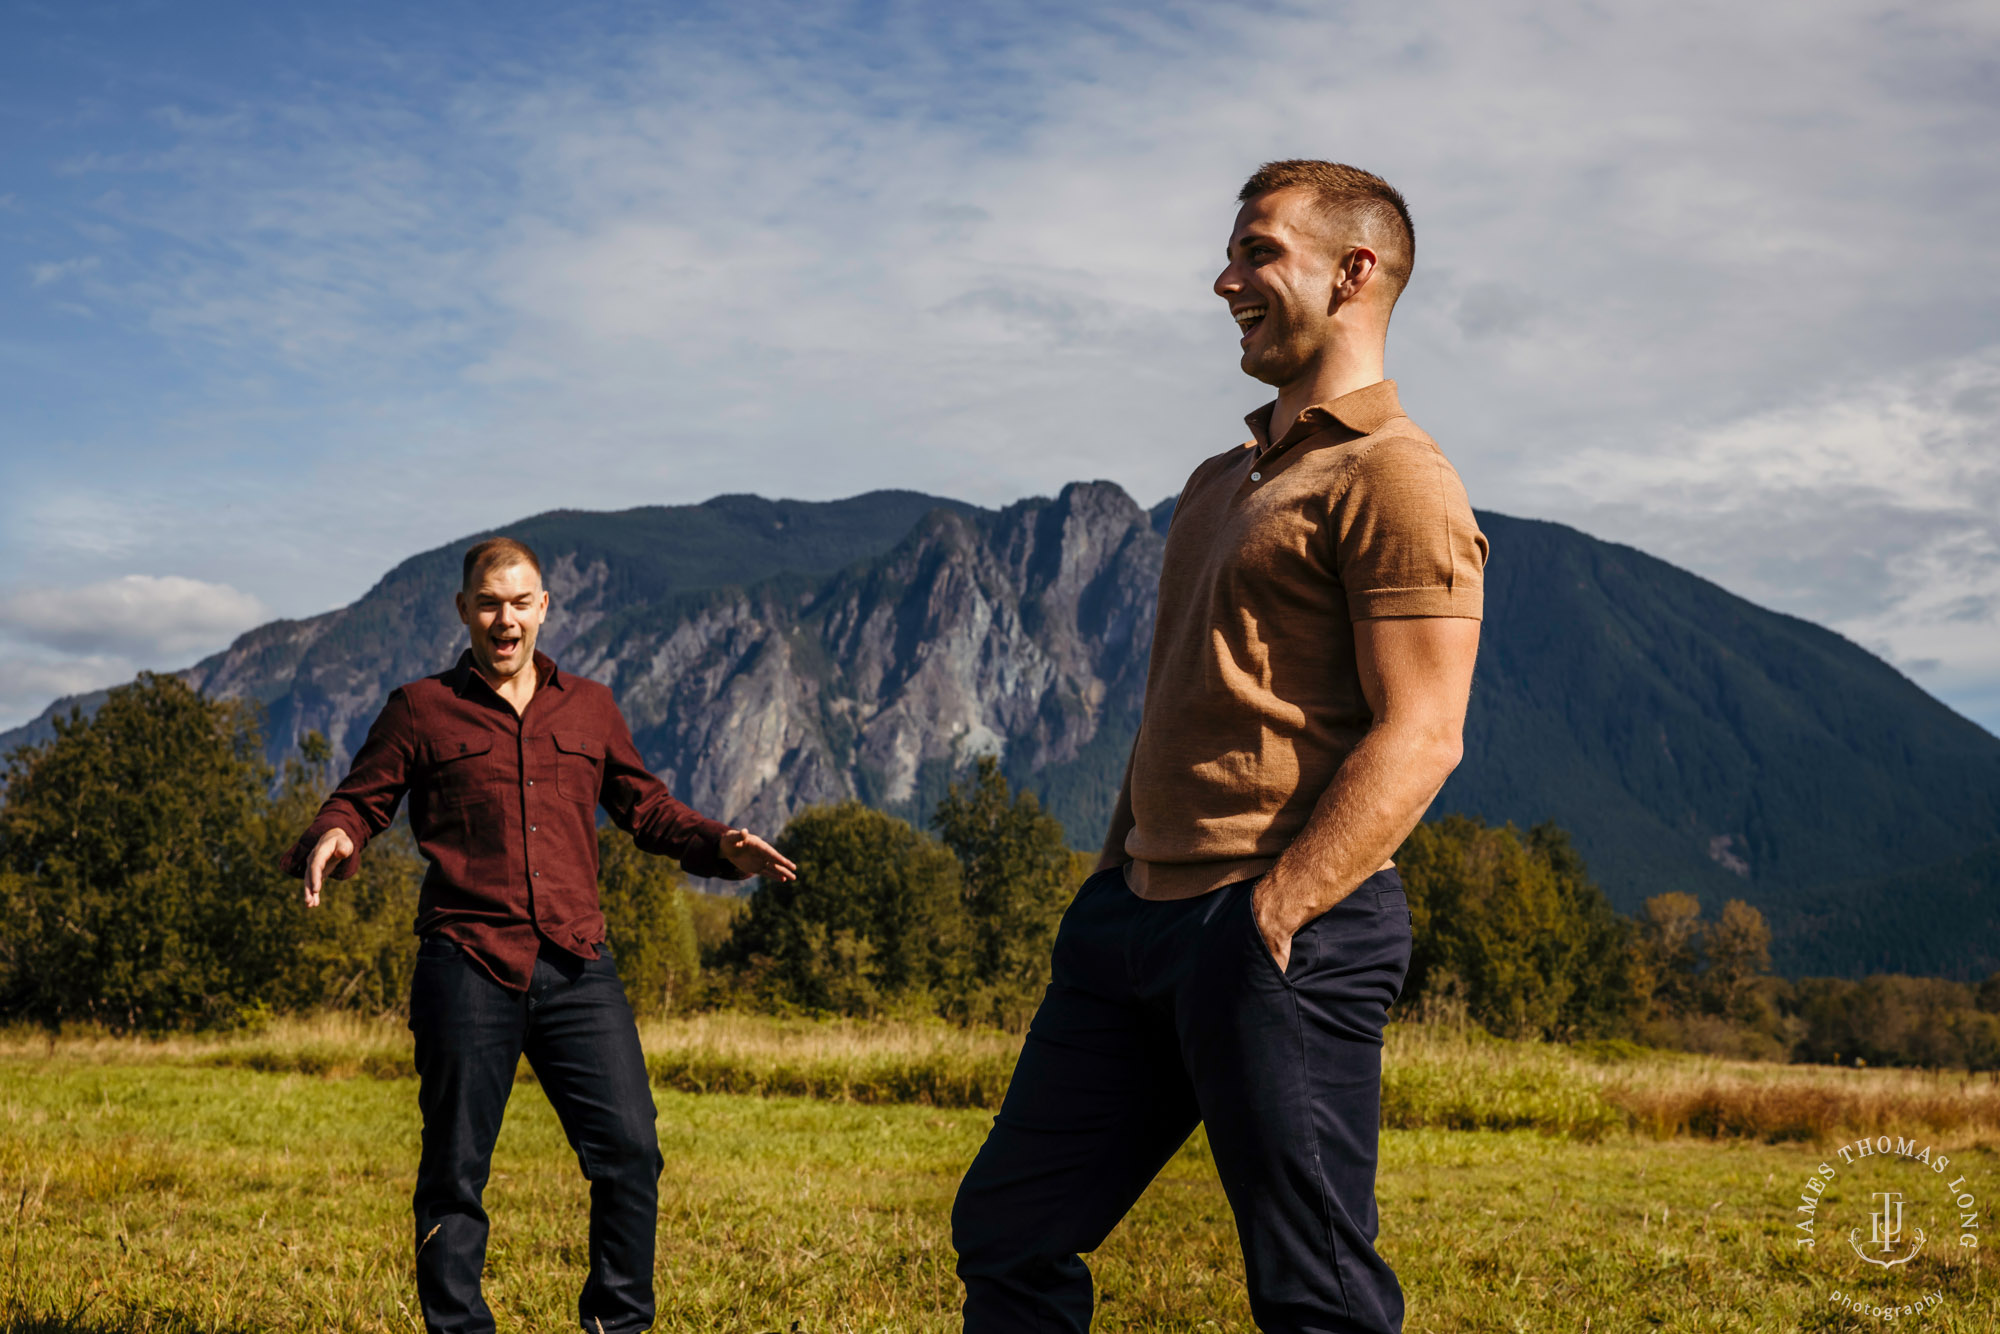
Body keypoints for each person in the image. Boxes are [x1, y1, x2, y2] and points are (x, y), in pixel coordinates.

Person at [951, 160, 1487, 1333]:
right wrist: (1110, 877)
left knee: (1314, 1293)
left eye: (1256, 252)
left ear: (1354, 271)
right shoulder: (1218, 481)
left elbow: (1424, 731)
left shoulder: (1394, 476)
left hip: (1277, 927)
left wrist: (1277, 912)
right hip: (1131, 923)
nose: (1223, 279)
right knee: (1009, 1229)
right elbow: (1173, 705)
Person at [279, 536, 796, 1334]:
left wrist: (719, 845)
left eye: (521, 602)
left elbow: (647, 808)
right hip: (466, 961)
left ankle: (618, 1324)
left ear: (545, 607)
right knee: (455, 1173)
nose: (505, 618)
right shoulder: (418, 708)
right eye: (489, 602)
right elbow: (361, 798)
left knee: (629, 1152)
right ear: (464, 611)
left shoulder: (590, 708)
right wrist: (335, 836)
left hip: (577, 965)